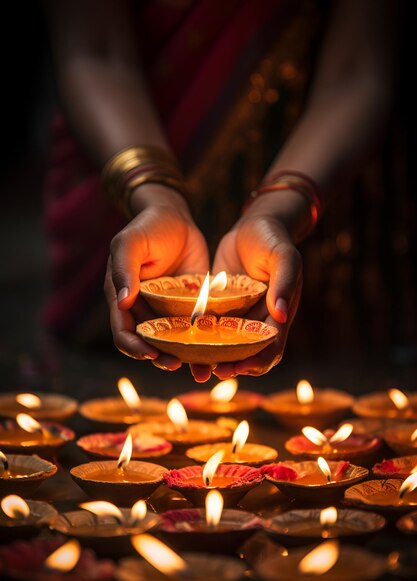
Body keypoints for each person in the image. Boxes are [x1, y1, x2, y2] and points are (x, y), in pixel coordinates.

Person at [43, 0, 397, 383]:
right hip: (117, 158)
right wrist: (156, 198)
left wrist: (276, 212)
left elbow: (357, 71)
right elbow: (96, 52)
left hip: (321, 166)